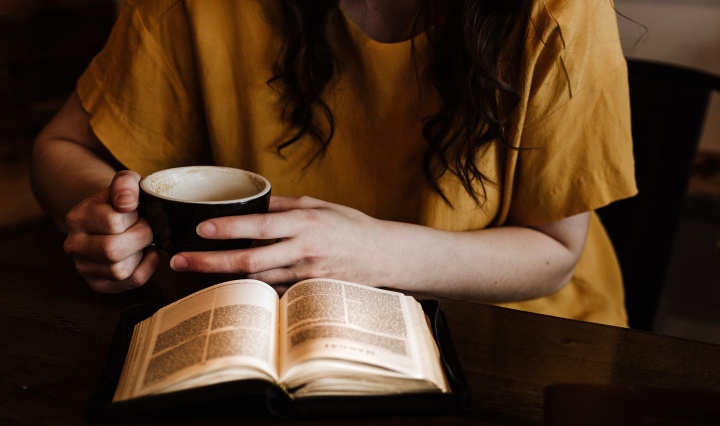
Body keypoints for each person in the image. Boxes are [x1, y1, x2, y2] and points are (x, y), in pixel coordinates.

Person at [31, 0, 636, 326]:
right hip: (254, 325)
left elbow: (555, 253)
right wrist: (106, 217)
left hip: (512, 330)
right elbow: (60, 149)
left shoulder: (560, 12)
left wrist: (371, 254)